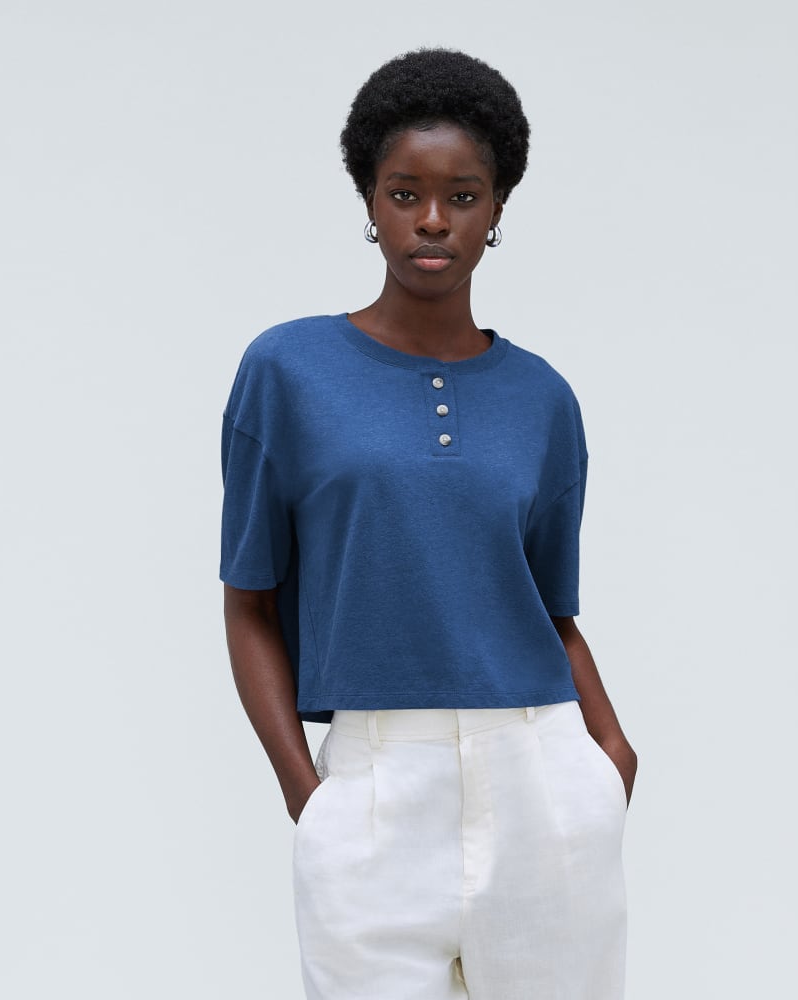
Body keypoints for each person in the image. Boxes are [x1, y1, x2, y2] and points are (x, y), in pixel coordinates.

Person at [220, 47, 637, 1000]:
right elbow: (249, 604)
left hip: (543, 778)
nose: (434, 220)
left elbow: (553, 612)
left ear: (498, 209)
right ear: (370, 203)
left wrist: (610, 760)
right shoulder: (287, 372)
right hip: (375, 785)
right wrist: (308, 798)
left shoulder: (543, 399)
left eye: (463, 195)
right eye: (405, 194)